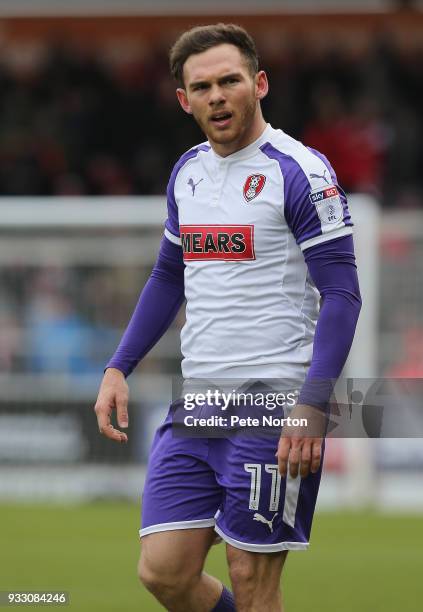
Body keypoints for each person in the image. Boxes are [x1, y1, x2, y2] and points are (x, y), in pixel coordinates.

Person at [94, 23, 361, 612]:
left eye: (230, 80)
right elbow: (168, 277)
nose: (218, 95)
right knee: (164, 571)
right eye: (203, 86)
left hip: (276, 403)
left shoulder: (301, 173)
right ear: (183, 100)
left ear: (258, 84)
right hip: (199, 402)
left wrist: (313, 404)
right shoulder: (187, 172)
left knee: (252, 577)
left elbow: (342, 294)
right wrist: (119, 367)